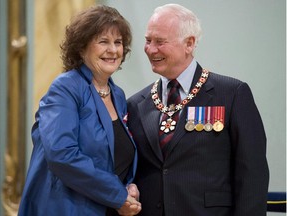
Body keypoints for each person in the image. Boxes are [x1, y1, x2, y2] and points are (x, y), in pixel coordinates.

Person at [127, 3, 269, 216]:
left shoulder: (231, 94)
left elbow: (252, 173)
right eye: (148, 41)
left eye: (160, 42)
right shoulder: (137, 103)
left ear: (189, 43)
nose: (151, 49)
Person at [18, 5, 141, 216]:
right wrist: (117, 195)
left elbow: (112, 154)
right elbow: (62, 154)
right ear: (82, 47)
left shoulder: (118, 95)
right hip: (64, 208)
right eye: (103, 41)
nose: (113, 50)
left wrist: (128, 186)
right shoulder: (66, 88)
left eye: (118, 42)